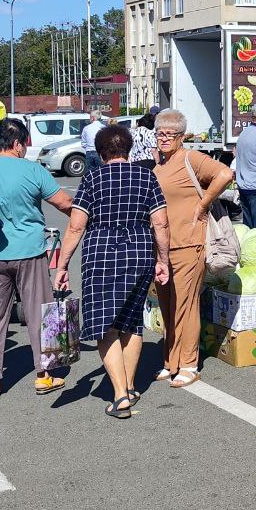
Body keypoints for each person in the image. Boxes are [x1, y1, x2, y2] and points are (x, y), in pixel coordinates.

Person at [55, 124, 171, 417]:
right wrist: (163, 260)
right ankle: (129, 387)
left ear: (100, 151)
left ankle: (120, 396)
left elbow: (76, 225)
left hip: (101, 254)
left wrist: (62, 264)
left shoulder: (93, 178)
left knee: (104, 325)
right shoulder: (147, 176)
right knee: (131, 322)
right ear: (129, 148)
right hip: (139, 251)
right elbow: (161, 223)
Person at [0, 117, 73, 401]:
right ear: (18, 143)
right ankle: (44, 376)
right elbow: (64, 203)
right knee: (38, 314)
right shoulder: (33, 170)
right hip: (31, 251)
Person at [152, 108, 235, 387]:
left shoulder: (190, 158)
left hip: (189, 242)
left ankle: (188, 363)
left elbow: (225, 173)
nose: (163, 138)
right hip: (162, 247)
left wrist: (203, 204)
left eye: (169, 134)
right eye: (159, 133)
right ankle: (170, 360)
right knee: (167, 305)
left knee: (186, 306)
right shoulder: (160, 163)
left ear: (181, 136)